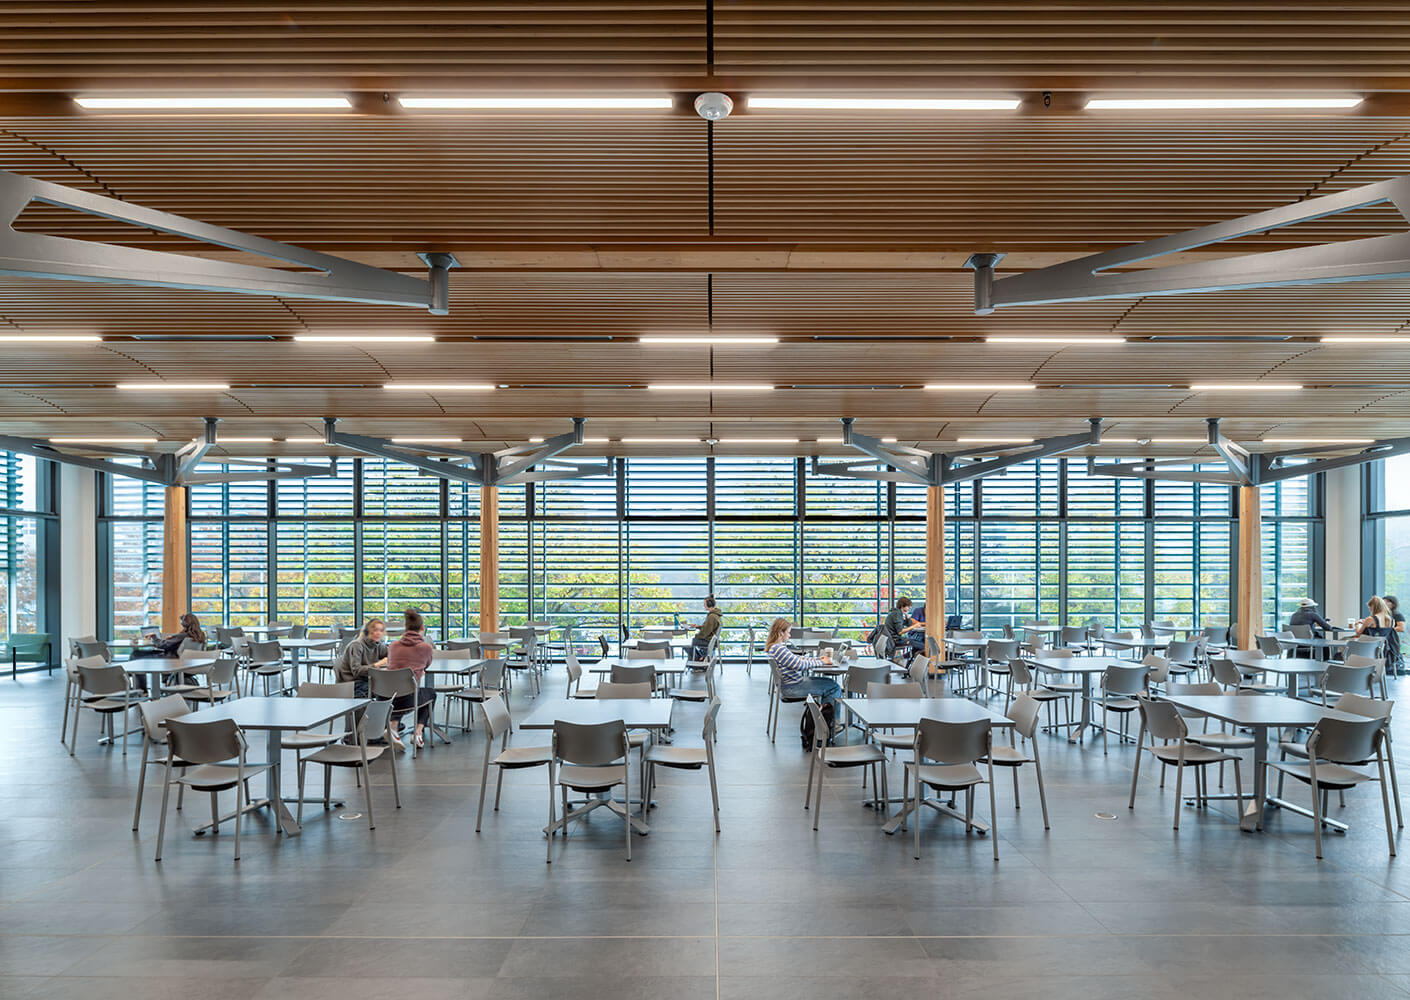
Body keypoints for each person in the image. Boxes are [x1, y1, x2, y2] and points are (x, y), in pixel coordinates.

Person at [766, 617, 842, 727]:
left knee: (829, 683)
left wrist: (818, 660)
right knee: (833, 687)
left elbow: (798, 659)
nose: (789, 635)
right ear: (780, 633)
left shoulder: (774, 648)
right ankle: (830, 725)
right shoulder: (779, 649)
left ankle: (824, 722)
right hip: (793, 688)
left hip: (790, 685)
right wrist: (821, 662)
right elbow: (799, 665)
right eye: (788, 632)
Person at [386, 607, 438, 749]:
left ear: (405, 627)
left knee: (400, 688)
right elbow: (427, 665)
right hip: (409, 699)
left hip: (387, 698)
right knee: (430, 694)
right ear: (422, 627)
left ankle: (393, 726)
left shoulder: (393, 646)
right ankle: (418, 733)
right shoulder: (425, 648)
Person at [336, 618, 388, 699]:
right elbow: (357, 671)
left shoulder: (377, 644)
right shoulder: (357, 645)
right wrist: (377, 664)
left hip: (366, 680)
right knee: (384, 691)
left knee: (391, 687)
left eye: (381, 631)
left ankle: (386, 710)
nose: (379, 633)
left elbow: (390, 653)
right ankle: (377, 711)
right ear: (367, 632)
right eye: (375, 630)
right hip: (353, 684)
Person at [1354, 595, 1402, 678]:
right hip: (1383, 649)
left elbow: (1358, 633)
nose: (1369, 609)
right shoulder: (1390, 619)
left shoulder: (1370, 619)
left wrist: (1357, 624)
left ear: (1373, 607)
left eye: (1370, 607)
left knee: (1348, 643)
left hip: (1367, 649)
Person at [883, 597, 923, 662]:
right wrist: (914, 626)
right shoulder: (897, 614)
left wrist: (907, 616)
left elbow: (909, 624)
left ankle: (902, 660)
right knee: (922, 646)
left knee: (917, 645)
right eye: (908, 606)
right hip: (895, 640)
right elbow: (900, 631)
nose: (909, 608)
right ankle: (902, 660)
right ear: (902, 606)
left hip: (894, 639)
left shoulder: (897, 613)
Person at [690, 596, 722, 661]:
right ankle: (701, 657)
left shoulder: (712, 617)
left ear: (709, 604)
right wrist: (698, 626)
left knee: (690, 643)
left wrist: (697, 636)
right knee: (692, 641)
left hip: (708, 641)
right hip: (711, 640)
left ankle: (698, 661)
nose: (704, 606)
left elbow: (705, 632)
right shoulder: (715, 615)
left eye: (704, 604)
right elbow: (708, 628)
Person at [1385, 595, 1407, 673]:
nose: (1384, 604)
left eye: (1386, 602)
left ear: (1393, 604)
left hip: (1392, 640)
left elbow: (1401, 628)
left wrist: (1387, 630)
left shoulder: (1397, 615)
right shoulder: (1382, 615)